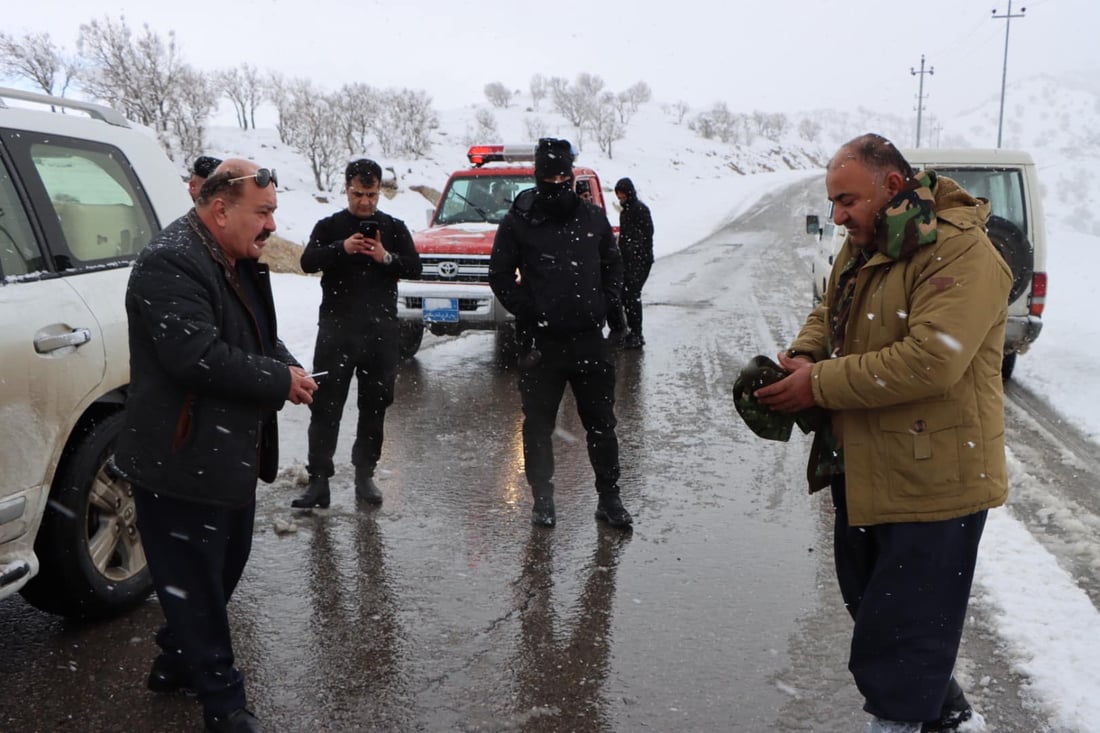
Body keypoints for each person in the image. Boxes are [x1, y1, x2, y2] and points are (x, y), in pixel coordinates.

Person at [754, 133, 1011, 733]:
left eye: (847, 200)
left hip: (936, 480)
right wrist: (802, 354)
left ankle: (906, 719)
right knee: (875, 613)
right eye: (834, 202)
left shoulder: (959, 252)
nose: (839, 215)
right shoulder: (864, 241)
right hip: (867, 467)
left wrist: (817, 385)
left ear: (892, 187)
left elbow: (932, 359)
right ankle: (946, 713)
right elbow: (830, 308)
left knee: (901, 637)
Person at [112, 159, 317, 733]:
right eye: (264, 212)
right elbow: (195, 356)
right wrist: (279, 382)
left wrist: (286, 363)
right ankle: (225, 707)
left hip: (226, 454)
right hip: (179, 459)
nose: (273, 225)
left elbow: (253, 331)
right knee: (199, 584)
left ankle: (177, 659)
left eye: (274, 211)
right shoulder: (171, 262)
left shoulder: (233, 254)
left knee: (221, 569)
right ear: (221, 208)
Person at [489, 137, 632, 530]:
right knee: (537, 425)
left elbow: (614, 265)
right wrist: (529, 310)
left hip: (588, 340)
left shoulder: (592, 218)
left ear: (571, 175)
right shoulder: (519, 220)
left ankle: (610, 497)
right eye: (547, 176)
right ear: (537, 176)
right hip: (542, 345)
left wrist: (605, 304)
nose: (555, 183)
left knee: (601, 424)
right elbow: (499, 276)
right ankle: (542, 499)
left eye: (561, 175)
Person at [291, 159, 422, 509]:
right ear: (346, 189)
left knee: (374, 407)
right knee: (325, 408)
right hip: (336, 332)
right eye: (358, 194)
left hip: (381, 334)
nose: (365, 202)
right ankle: (319, 481)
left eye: (371, 194)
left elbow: (415, 266)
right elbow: (306, 262)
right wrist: (341, 249)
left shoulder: (393, 227)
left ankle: (365, 474)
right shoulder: (330, 225)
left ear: (380, 191)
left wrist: (385, 257)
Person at [607, 177, 654, 349]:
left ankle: (637, 333)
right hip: (628, 261)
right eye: (618, 196)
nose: (621, 199)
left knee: (632, 295)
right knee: (626, 295)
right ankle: (631, 331)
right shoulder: (625, 212)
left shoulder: (640, 210)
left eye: (622, 195)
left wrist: (635, 250)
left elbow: (647, 234)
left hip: (641, 261)